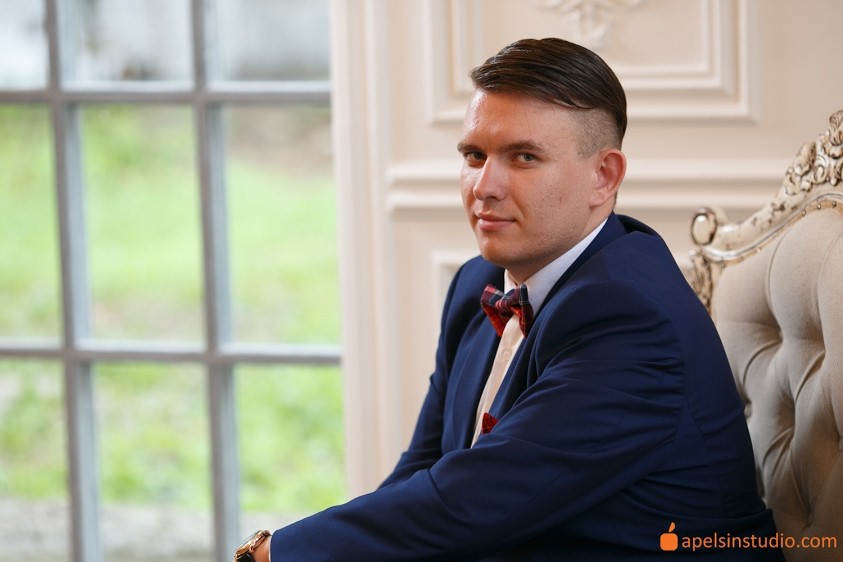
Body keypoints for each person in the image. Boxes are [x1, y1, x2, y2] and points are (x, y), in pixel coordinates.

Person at [234, 38, 783, 561]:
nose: (484, 186)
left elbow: (468, 502)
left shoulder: (630, 317)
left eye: (522, 157)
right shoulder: (477, 283)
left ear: (603, 176)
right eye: (474, 155)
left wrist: (278, 553)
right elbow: (423, 469)